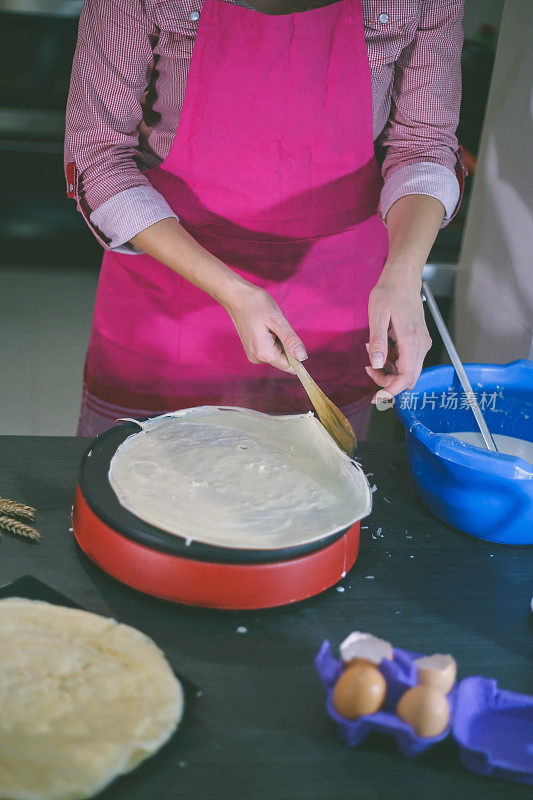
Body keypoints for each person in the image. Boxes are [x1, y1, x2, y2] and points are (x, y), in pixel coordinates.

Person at [65, 0, 465, 438]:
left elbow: (423, 148)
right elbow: (100, 159)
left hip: (340, 287)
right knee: (145, 474)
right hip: (175, 280)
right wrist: (232, 290)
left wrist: (403, 277)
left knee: (312, 482)